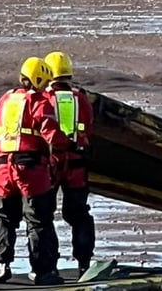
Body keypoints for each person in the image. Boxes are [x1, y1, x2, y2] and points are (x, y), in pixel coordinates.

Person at [0, 56, 69, 286]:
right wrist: (57, 161)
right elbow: (53, 135)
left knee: (4, 217)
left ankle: (1, 266)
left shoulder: (6, 99)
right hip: (29, 167)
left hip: (3, 167)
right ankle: (43, 272)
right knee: (38, 218)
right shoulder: (39, 101)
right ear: (40, 78)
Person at [43, 51, 95, 277]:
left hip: (50, 164)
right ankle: (84, 263)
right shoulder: (80, 99)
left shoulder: (43, 99)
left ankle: (49, 266)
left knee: (44, 216)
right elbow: (89, 129)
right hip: (76, 164)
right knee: (79, 215)